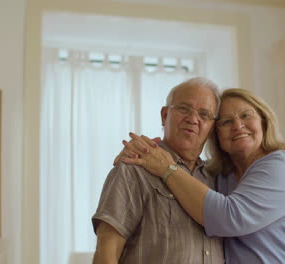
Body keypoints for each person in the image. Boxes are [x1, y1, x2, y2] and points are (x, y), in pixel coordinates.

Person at [120, 88, 285, 263]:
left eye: (246, 115)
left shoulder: (281, 166)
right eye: (226, 121)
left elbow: (229, 217)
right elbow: (188, 176)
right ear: (215, 134)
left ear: (263, 121)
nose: (237, 125)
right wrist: (140, 151)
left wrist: (167, 167)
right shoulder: (218, 175)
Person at [91, 77, 225, 263]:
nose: (193, 119)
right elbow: (107, 251)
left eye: (204, 114)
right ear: (164, 115)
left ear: (212, 128)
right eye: (184, 108)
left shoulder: (218, 179)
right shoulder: (134, 168)